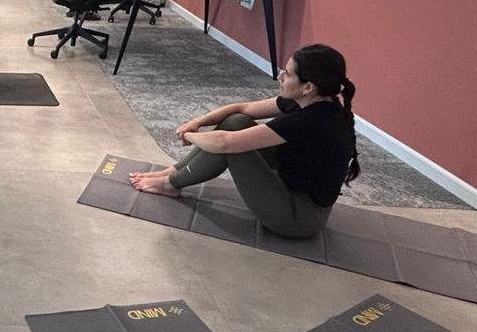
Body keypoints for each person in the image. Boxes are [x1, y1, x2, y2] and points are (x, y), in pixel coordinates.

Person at [130, 44, 358, 238]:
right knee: (237, 121)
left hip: (299, 219)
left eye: (287, 74)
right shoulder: (310, 100)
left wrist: (188, 135)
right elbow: (242, 109)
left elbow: (224, 143)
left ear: (308, 87)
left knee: (234, 145)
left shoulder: (311, 120)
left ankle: (171, 184)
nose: (280, 76)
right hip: (290, 190)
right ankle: (173, 172)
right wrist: (197, 122)